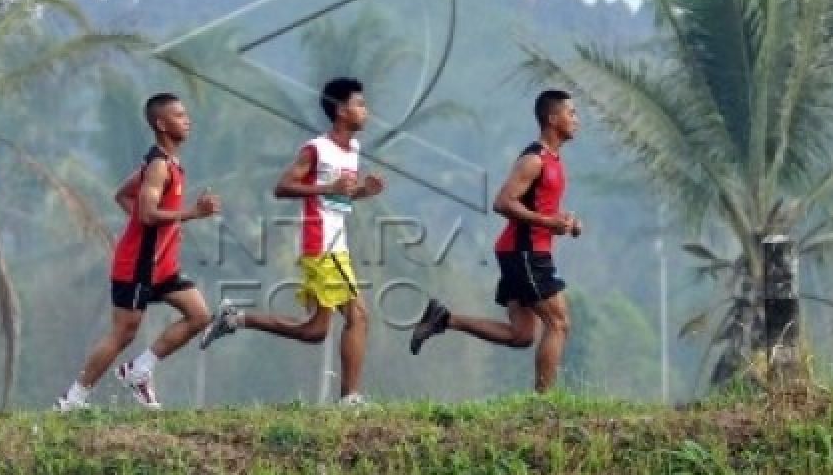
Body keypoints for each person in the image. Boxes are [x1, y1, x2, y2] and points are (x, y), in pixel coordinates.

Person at [199, 77, 385, 405]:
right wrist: (330, 189)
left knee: (314, 332)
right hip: (321, 244)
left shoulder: (353, 149)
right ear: (341, 111)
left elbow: (340, 197)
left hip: (336, 243)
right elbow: (282, 187)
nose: (366, 111)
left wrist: (362, 192)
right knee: (358, 316)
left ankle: (236, 318)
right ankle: (349, 400)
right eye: (360, 105)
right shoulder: (317, 149)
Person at [409, 89, 581, 393]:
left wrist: (565, 223)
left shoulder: (554, 161)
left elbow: (539, 207)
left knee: (522, 335)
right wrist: (546, 222)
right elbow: (503, 202)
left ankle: (444, 319)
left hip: (523, 251)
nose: (577, 120)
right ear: (553, 119)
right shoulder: (535, 160)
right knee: (559, 323)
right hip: (525, 253)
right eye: (572, 113)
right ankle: (544, 405)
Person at [56, 93, 220, 410]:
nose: (187, 120)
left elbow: (124, 196)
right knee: (123, 333)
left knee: (199, 315)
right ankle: (73, 399)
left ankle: (139, 370)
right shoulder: (159, 166)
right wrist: (191, 214)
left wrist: (168, 228)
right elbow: (145, 213)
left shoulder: (168, 163)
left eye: (186, 114)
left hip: (162, 265)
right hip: (137, 265)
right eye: (179, 115)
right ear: (161, 123)